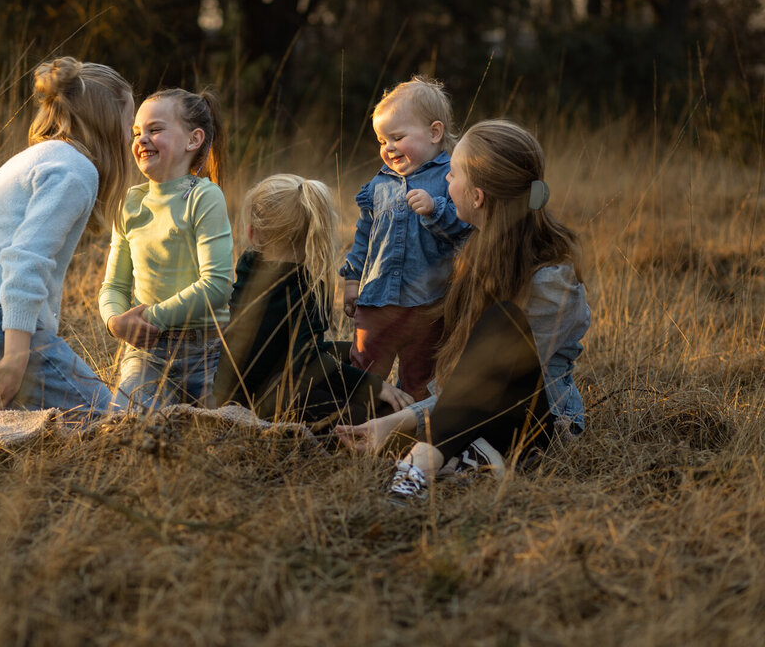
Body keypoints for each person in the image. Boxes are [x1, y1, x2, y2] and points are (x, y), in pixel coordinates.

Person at [336, 120, 590, 504]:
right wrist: (392, 420)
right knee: (342, 370)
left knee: (502, 322)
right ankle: (456, 456)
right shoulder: (475, 253)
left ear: (477, 196)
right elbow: (459, 383)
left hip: (539, 424)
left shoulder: (551, 282)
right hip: (470, 416)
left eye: (452, 173)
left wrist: (412, 427)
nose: (444, 182)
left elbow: (491, 385)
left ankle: (425, 462)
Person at [0, 56, 134, 442]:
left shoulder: (33, 157)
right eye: (129, 123)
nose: (132, 136)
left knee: (30, 414)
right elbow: (25, 260)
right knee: (107, 421)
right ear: (107, 122)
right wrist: (16, 356)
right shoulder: (75, 170)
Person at [212, 174, 413, 427]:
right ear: (313, 232)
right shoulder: (307, 284)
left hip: (226, 391)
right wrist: (371, 386)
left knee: (354, 352)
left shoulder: (247, 264)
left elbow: (286, 349)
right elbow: (305, 360)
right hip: (269, 401)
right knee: (369, 414)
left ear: (253, 234)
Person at [100, 88, 233, 411]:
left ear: (194, 140)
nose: (141, 139)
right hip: (147, 353)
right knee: (124, 422)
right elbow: (114, 285)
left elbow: (216, 285)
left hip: (208, 352)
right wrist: (116, 322)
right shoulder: (130, 202)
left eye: (155, 129)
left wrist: (149, 317)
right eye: (136, 132)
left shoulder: (204, 196)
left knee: (221, 431)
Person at [340, 77, 472, 400]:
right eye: (382, 141)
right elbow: (364, 237)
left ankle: (408, 427)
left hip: (428, 305)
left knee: (421, 376)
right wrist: (352, 279)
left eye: (397, 137)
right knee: (364, 368)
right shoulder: (378, 184)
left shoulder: (449, 178)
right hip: (377, 300)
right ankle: (359, 420)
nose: (388, 148)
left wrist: (435, 209)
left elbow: (465, 225)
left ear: (434, 132)